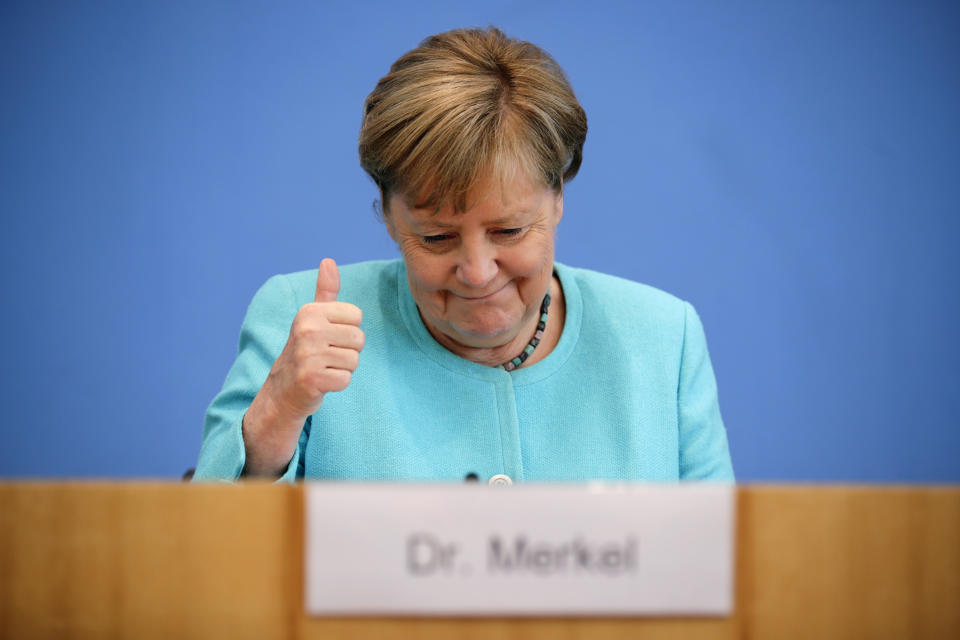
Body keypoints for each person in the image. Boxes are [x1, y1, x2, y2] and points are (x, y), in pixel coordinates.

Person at [193, 27, 733, 483]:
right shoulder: (298, 316)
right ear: (385, 212)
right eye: (435, 238)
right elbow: (204, 554)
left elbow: (716, 570)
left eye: (510, 230)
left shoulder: (665, 339)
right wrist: (276, 412)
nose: (477, 273)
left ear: (559, 196)